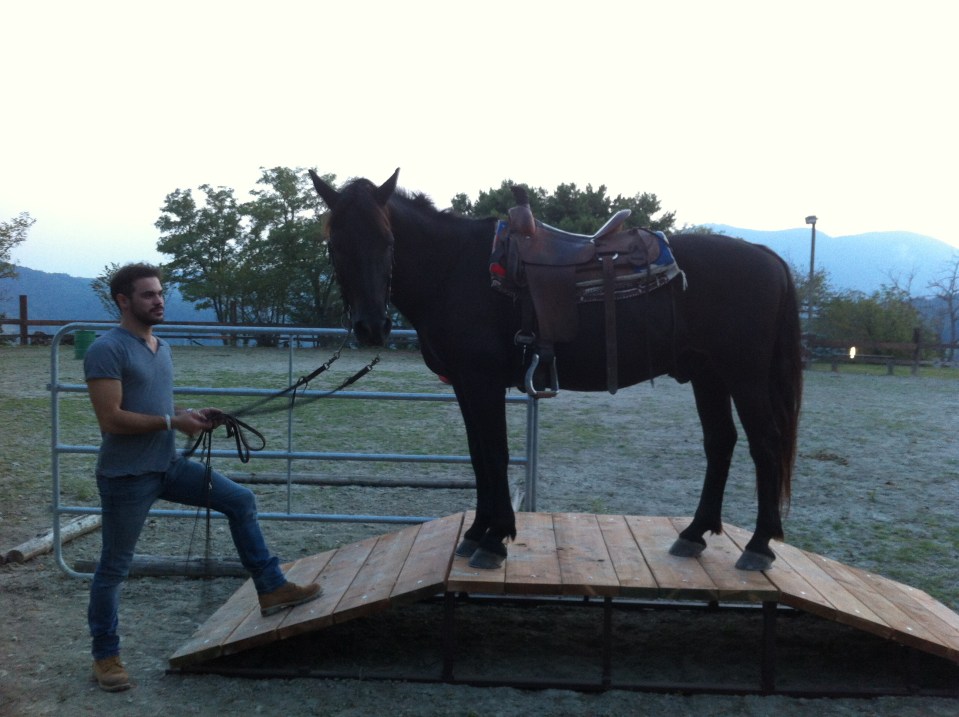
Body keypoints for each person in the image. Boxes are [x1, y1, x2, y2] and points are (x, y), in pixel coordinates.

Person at [84, 263, 321, 692]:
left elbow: (157, 409)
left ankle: (270, 587)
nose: (158, 300)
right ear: (123, 300)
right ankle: (105, 657)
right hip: (127, 476)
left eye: (160, 293)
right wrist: (173, 423)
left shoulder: (161, 347)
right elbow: (111, 419)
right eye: (147, 295)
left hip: (168, 466)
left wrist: (189, 416)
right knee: (114, 569)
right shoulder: (107, 349)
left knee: (240, 500)